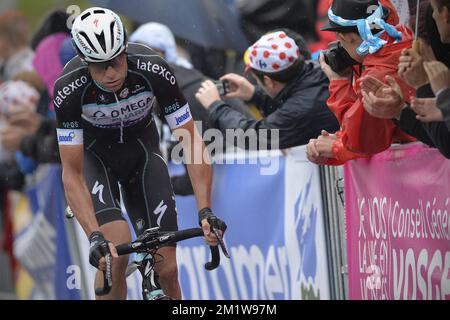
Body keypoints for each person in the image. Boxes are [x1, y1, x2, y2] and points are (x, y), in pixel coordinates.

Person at [54, 7, 226, 300]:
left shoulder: (152, 68)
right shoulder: (68, 89)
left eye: (116, 60)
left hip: (142, 153)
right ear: (84, 63)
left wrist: (205, 210)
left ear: (125, 51)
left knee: (168, 267)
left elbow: (191, 141)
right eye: (99, 65)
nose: (110, 72)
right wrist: (94, 234)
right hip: (96, 159)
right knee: (115, 251)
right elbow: (72, 171)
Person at [307, 0, 416, 165]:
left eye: (340, 41)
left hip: (419, 174)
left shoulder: (376, 78)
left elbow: (361, 141)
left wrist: (339, 83)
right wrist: (339, 141)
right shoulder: (405, 38)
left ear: (348, 37)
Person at [196, 30, 339, 150]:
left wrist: (216, 106)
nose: (258, 83)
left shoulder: (301, 107)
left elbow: (252, 137)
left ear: (269, 81)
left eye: (258, 80)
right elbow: (293, 107)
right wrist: (254, 94)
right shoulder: (315, 70)